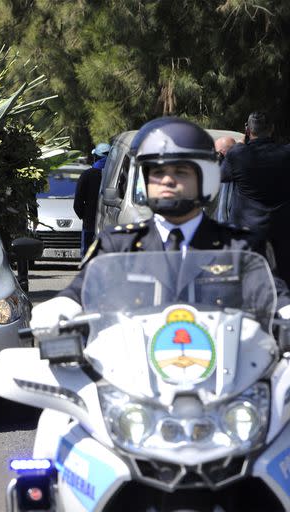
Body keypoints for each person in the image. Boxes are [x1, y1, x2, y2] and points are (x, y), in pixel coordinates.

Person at [28, 116, 290, 458]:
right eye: (157, 173)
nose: (167, 180)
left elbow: (271, 293)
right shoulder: (116, 246)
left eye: (180, 172)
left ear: (206, 178)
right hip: (133, 392)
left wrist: (286, 310)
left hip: (225, 394)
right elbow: (80, 291)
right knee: (58, 434)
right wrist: (60, 306)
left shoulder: (238, 248)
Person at [221, 111, 290, 286]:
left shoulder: (238, 154)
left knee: (245, 281)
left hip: (247, 231)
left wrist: (239, 145)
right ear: (272, 129)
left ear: (247, 130)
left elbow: (222, 176)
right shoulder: (286, 153)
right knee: (284, 281)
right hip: (282, 230)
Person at [73, 142, 110, 256]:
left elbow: (78, 202)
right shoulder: (116, 175)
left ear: (95, 157)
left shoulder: (87, 175)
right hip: (111, 222)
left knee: (87, 256)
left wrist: (84, 216)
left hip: (90, 223)